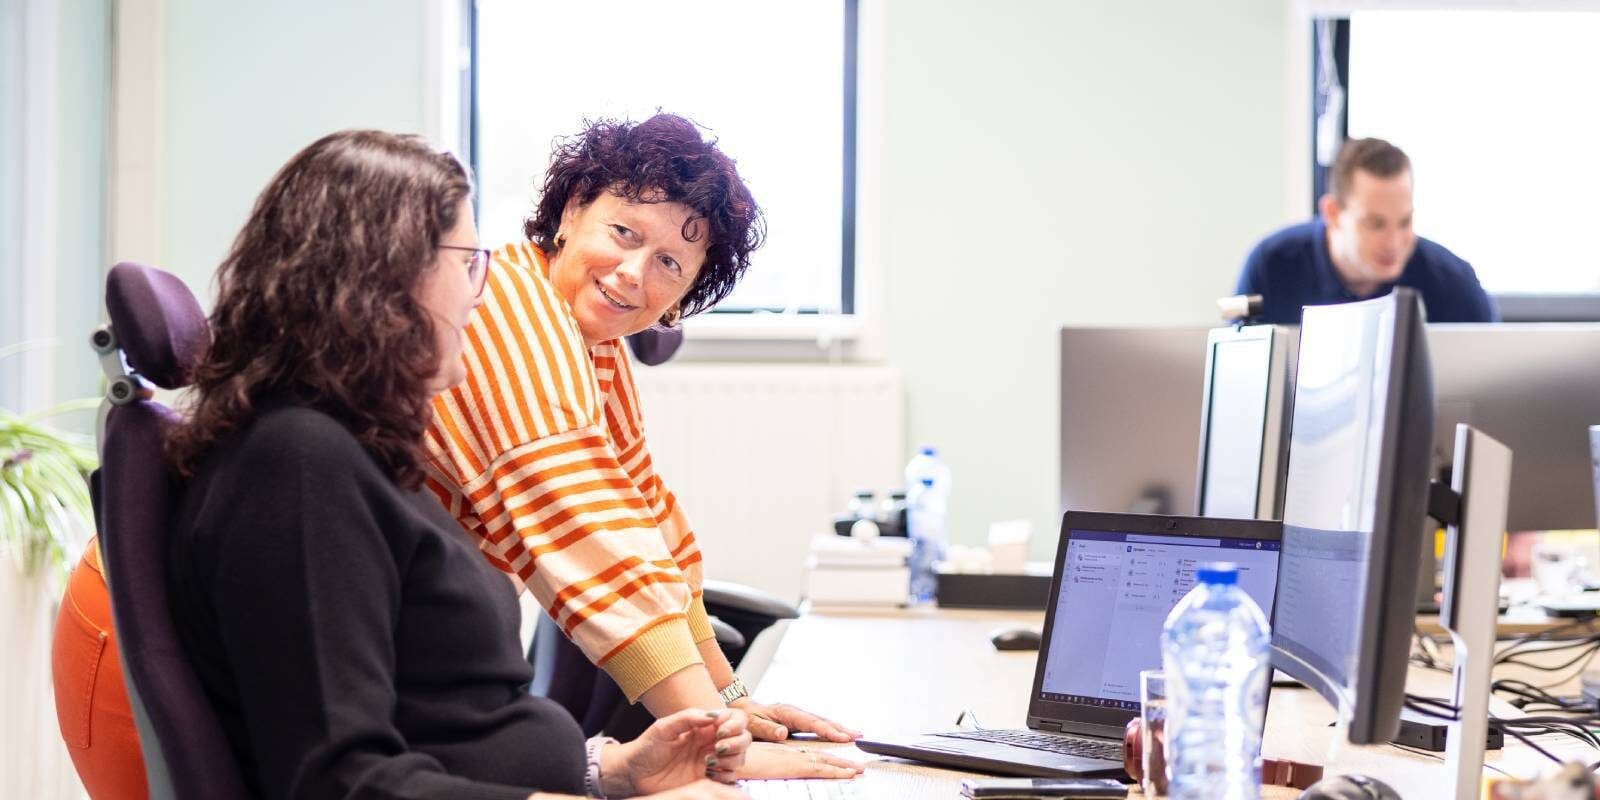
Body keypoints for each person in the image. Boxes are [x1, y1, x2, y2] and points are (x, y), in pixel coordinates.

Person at [163, 129, 750, 799]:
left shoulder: (361, 448)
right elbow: (342, 779)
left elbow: (435, 724)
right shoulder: (299, 466)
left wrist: (612, 771)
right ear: (379, 278)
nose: (480, 296)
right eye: (467, 264)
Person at [422, 114, 862, 778]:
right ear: (573, 210)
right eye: (624, 233)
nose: (632, 274)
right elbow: (596, 536)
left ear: (683, 297)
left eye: (668, 264)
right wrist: (720, 740)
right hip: (385, 692)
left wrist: (734, 702)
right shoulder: (511, 312)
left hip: (443, 683)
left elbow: (648, 523)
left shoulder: (591, 342)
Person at [1235, 137, 1498, 324]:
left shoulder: (1452, 281)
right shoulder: (1271, 267)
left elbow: (1494, 373)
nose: (1393, 242)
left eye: (1404, 222)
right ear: (1333, 213)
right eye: (1375, 224)